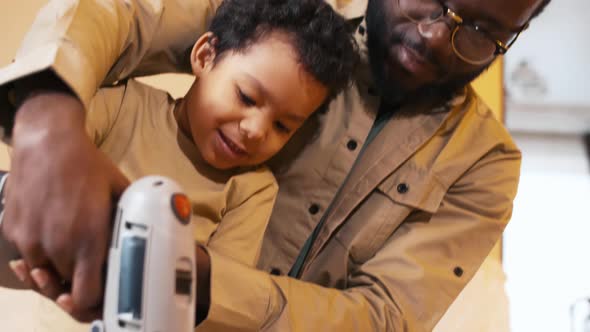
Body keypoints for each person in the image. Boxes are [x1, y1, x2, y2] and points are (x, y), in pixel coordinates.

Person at [0, 0, 552, 331]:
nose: (435, 35)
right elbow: (124, 13)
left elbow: (383, 318)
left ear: (516, 33)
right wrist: (49, 118)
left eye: (481, 31)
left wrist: (186, 275)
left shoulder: (486, 166)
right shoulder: (288, 16)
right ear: (206, 55)